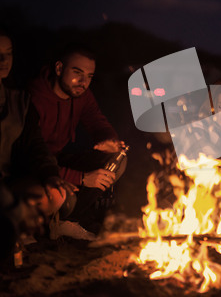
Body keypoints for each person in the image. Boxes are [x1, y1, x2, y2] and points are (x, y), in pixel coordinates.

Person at [29, 45, 126, 233]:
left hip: (56, 159)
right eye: (77, 72)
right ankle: (54, 218)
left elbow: (98, 122)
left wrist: (110, 141)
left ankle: (69, 220)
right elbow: (30, 156)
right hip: (32, 166)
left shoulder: (82, 95)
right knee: (65, 198)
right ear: (58, 69)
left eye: (90, 76)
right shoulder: (33, 97)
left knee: (117, 160)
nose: (83, 82)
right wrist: (81, 178)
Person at [0, 30, 74, 255]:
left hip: (8, 182)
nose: (3, 61)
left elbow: (34, 144)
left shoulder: (19, 101)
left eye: (8, 54)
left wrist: (50, 174)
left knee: (56, 194)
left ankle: (17, 229)